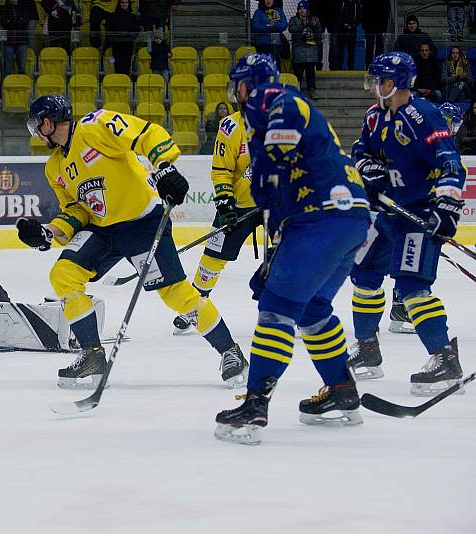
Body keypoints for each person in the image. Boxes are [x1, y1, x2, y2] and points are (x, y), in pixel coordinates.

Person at [19, 94, 249, 389]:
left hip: (141, 222)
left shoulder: (95, 126)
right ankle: (92, 354)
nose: (36, 133)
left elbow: (146, 133)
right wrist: (48, 233)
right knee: (64, 274)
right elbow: (77, 211)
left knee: (176, 296)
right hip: (103, 230)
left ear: (48, 123)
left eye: (37, 126)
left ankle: (230, 351)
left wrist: (164, 167)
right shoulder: (54, 168)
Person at [214, 54, 370, 446]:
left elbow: (277, 154)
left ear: (249, 83)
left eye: (239, 85)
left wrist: (264, 180)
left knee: (277, 307)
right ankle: (341, 390)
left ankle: (255, 403)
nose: (238, 94)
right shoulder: (272, 111)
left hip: (322, 218)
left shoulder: (274, 98)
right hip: (346, 221)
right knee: (313, 308)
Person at [350, 52, 465, 396]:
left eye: (376, 80)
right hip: (388, 213)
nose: (372, 87)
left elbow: (451, 164)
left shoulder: (424, 115)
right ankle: (368, 349)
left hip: (420, 214)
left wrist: (446, 208)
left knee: (412, 286)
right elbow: (361, 152)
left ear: (391, 84)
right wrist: (367, 169)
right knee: (364, 274)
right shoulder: (374, 118)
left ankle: (444, 358)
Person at [173, 99, 263, 357]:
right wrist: (225, 203)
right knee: (213, 256)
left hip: (276, 204)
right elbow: (222, 168)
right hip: (239, 204)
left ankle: (296, 307)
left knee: (290, 255)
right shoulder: (230, 126)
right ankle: (194, 303)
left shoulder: (286, 121)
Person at [289, 0, 322, 99]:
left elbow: (319, 32)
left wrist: (314, 26)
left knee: (311, 74)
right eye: (300, 8)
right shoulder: (294, 19)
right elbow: (292, 30)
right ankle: (296, 93)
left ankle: (312, 92)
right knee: (297, 74)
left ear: (308, 10)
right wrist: (305, 28)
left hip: (311, 52)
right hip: (298, 52)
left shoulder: (314, 19)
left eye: (304, 8)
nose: (302, 11)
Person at [107, 0, 139, 77]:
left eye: (126, 2)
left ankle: (126, 80)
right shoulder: (113, 16)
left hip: (128, 45)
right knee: (117, 65)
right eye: (122, 2)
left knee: (127, 64)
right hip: (116, 45)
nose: (124, 4)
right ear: (119, 4)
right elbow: (109, 30)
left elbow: (135, 30)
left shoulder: (132, 17)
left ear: (128, 4)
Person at [251, 0, 287, 67]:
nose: (268, 1)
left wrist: (275, 25)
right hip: (262, 44)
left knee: (276, 65)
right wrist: (267, 26)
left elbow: (284, 25)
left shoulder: (279, 11)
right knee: (263, 66)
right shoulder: (258, 12)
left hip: (276, 44)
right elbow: (255, 26)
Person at [0, 0, 32, 76]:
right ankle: (8, 86)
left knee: (22, 68)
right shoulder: (4, 8)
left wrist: (10, 21)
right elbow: (4, 23)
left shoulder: (24, 7)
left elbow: (25, 22)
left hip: (22, 41)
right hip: (8, 42)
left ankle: (21, 85)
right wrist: (19, 20)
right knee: (8, 68)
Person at [363, 0, 389, 65]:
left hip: (380, 26)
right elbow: (363, 9)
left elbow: (386, 11)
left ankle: (378, 65)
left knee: (379, 47)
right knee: (369, 47)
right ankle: (368, 66)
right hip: (369, 25)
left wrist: (384, 28)